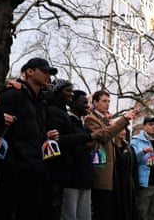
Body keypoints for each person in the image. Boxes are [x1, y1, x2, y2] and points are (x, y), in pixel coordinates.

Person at [0, 57, 58, 220]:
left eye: (49, 73)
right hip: (13, 170)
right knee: (4, 212)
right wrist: (7, 163)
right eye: (44, 71)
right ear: (29, 71)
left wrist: (45, 137)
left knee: (29, 213)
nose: (47, 76)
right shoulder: (13, 95)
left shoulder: (41, 102)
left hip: (35, 169)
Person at [44, 80, 100, 220]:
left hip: (79, 176)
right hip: (68, 176)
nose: (71, 93)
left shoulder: (67, 115)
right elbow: (60, 142)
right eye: (68, 91)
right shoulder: (56, 113)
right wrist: (86, 140)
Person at [83, 90, 137, 220]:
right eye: (104, 101)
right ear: (95, 102)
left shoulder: (106, 120)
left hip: (113, 174)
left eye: (109, 101)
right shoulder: (91, 118)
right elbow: (104, 135)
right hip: (101, 173)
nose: (107, 104)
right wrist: (123, 119)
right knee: (103, 211)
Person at [60, 89, 97, 220]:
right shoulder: (68, 121)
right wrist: (86, 145)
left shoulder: (82, 124)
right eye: (84, 102)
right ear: (73, 104)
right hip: (72, 179)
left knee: (84, 215)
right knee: (70, 215)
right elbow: (67, 147)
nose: (87, 106)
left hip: (84, 178)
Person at [113, 127, 139, 220]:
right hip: (115, 185)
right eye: (120, 129)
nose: (123, 132)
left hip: (128, 185)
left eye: (124, 130)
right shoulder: (111, 148)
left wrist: (135, 186)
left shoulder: (129, 148)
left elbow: (134, 168)